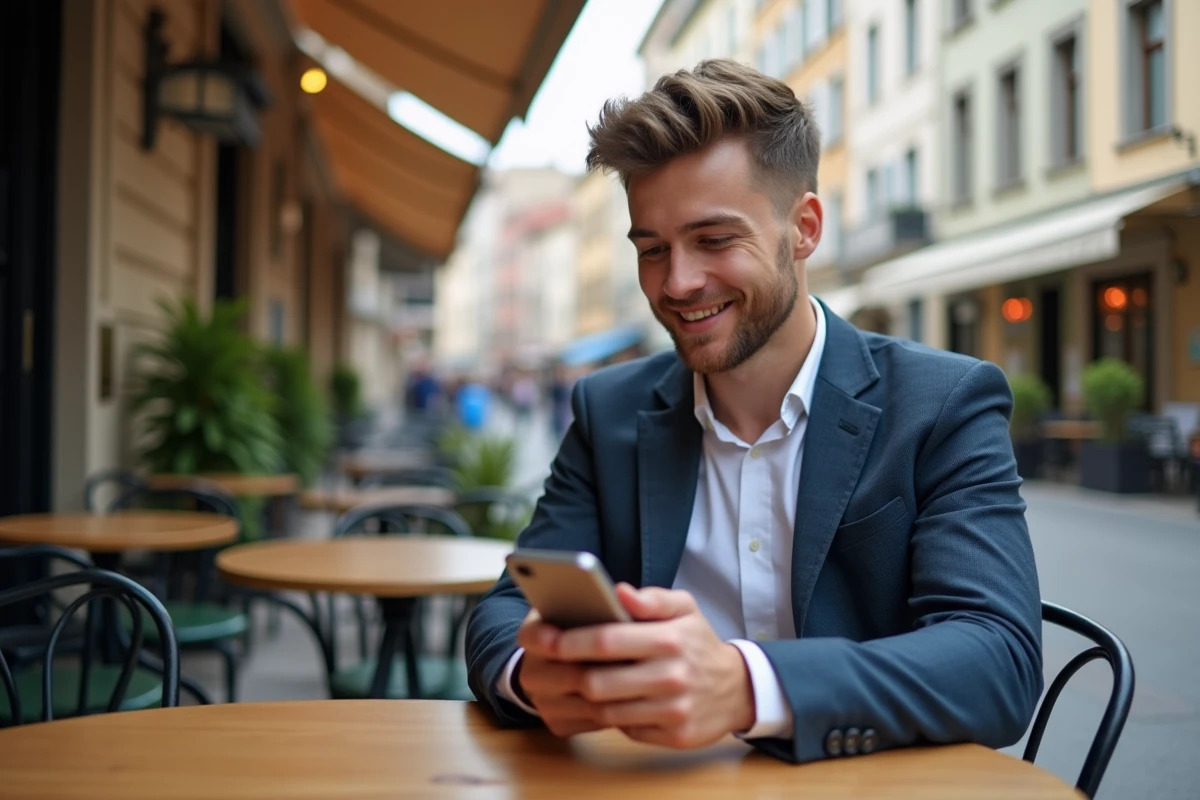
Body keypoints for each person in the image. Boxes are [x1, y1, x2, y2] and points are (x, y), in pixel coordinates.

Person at [466, 60, 1042, 764]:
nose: (678, 282)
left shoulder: (942, 404)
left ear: (804, 228)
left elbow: (998, 658)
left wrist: (745, 685)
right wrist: (532, 677)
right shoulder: (608, 410)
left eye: (714, 240)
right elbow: (506, 609)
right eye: (653, 250)